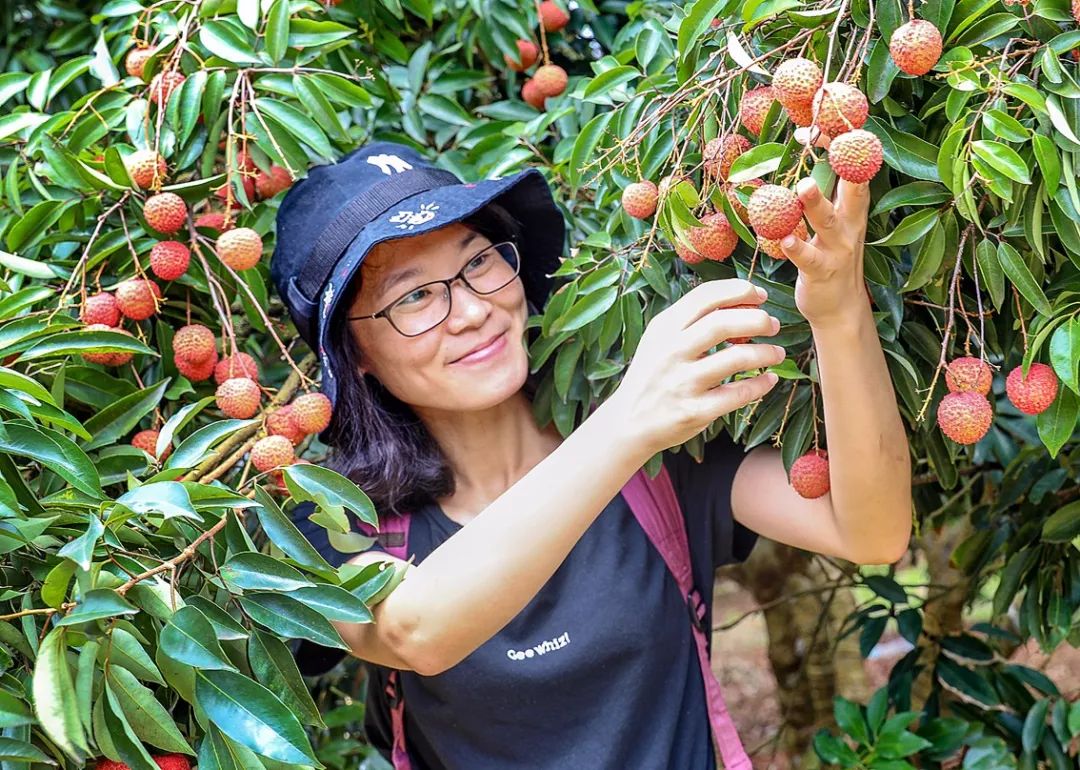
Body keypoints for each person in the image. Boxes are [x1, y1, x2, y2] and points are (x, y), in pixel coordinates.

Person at [269, 141, 912, 769]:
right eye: (414, 296)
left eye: (479, 262)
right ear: (353, 355)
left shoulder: (659, 464)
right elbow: (416, 629)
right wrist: (627, 423)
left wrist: (838, 313)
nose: (470, 310)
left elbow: (871, 528)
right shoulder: (334, 526)